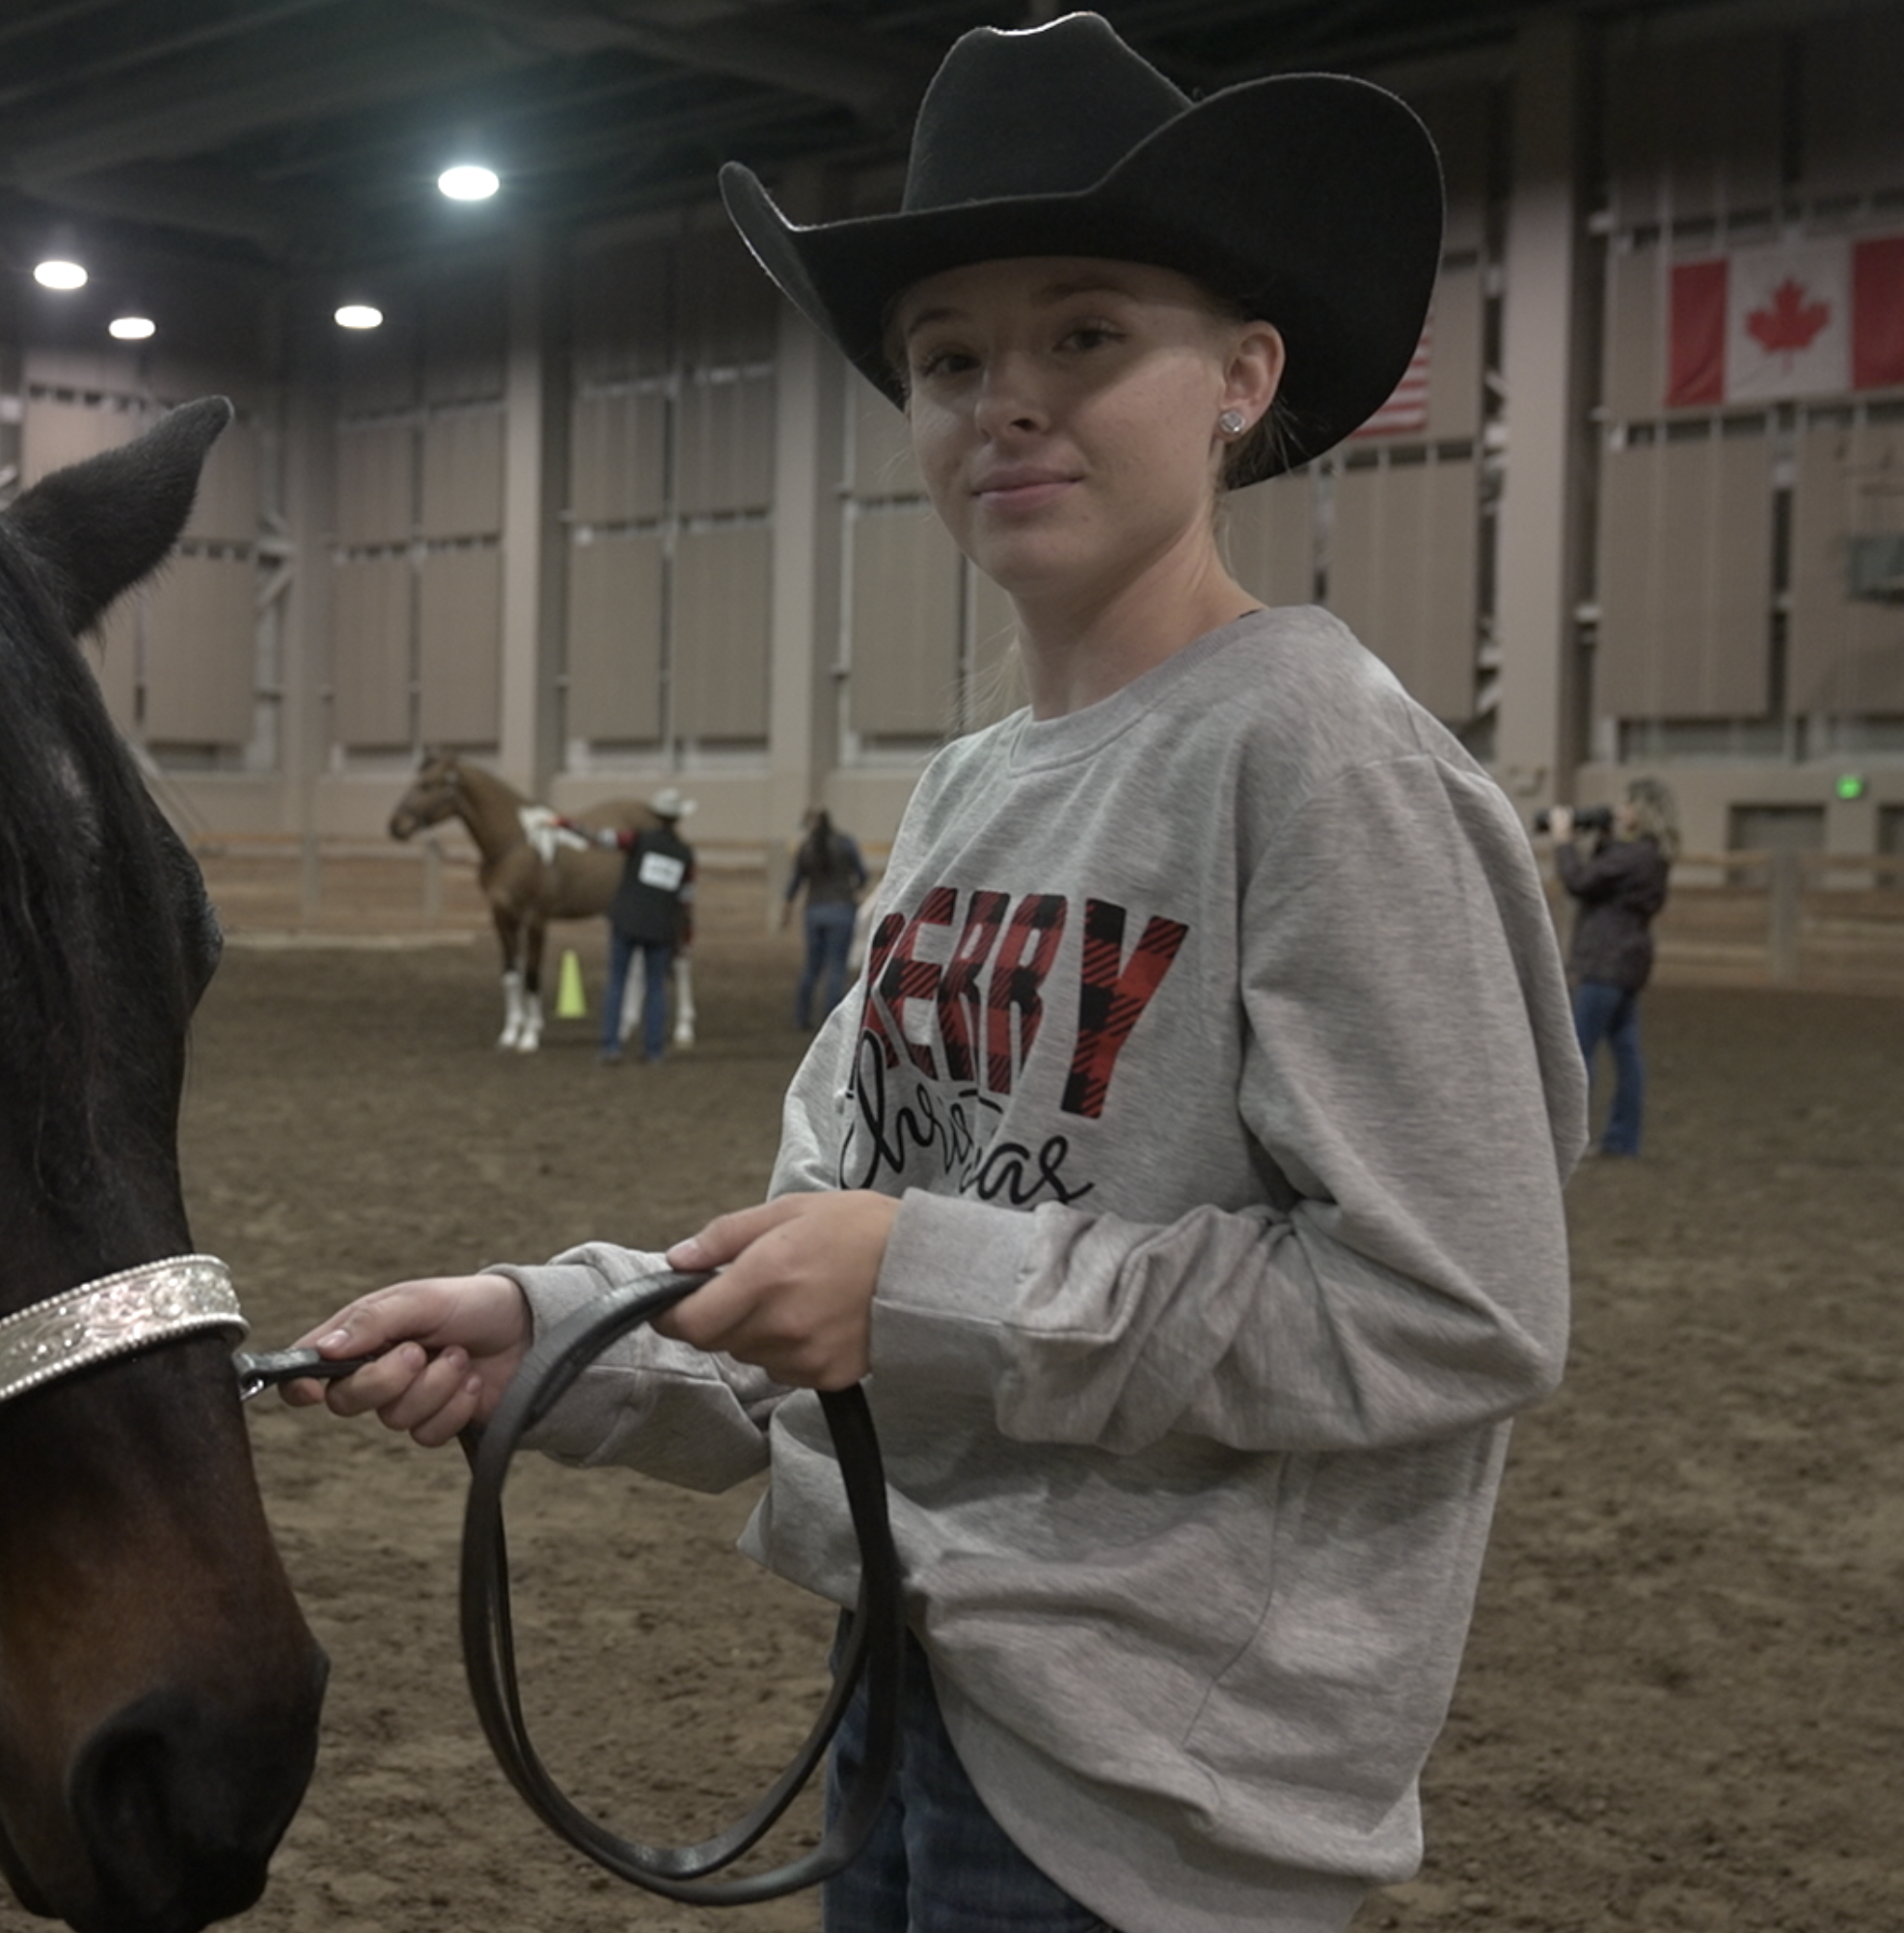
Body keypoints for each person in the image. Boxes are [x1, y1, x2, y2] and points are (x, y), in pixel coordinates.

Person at [282, 16, 1585, 1933]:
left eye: (1082, 336)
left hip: (1155, 1780)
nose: (1006, 401)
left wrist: (928, 1289)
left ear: (1240, 376)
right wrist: (544, 1339)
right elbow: (837, 1276)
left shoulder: (1310, 755)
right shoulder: (968, 797)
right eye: (946, 358)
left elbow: (1453, 1307)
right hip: (902, 1696)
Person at [1542, 776, 1676, 1157]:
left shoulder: (1634, 856)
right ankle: (1623, 1139)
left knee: (1577, 1051)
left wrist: (1564, 841)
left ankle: (1565, 1139)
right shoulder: (1651, 854)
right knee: (1626, 1051)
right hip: (1628, 961)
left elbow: (1580, 881)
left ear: (1643, 811)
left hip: (1606, 961)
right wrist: (1603, 836)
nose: (1620, 811)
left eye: (1627, 805)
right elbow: (1603, 876)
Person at [597, 787, 695, 1064]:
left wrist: (565, 826)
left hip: (627, 920)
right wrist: (685, 937)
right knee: (655, 988)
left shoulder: (639, 840)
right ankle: (653, 1049)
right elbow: (686, 900)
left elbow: (606, 840)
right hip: (661, 927)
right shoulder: (684, 854)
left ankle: (611, 1045)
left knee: (617, 981)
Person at [783, 805, 871, 1029]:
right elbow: (862, 875)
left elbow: (794, 884)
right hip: (841, 909)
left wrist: (786, 912)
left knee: (812, 966)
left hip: (814, 911)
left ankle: (802, 1017)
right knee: (836, 967)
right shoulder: (845, 843)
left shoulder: (805, 848)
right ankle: (831, 1020)